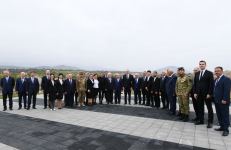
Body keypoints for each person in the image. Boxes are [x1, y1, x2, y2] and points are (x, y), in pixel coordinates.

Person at [193, 60, 214, 128]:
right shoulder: (197, 73)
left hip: (207, 94)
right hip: (199, 94)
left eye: (203, 64)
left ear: (205, 65)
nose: (201, 65)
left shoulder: (209, 73)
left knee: (209, 108)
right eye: (200, 64)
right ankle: (201, 120)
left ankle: (210, 122)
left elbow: (211, 84)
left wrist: (209, 93)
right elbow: (195, 84)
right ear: (199, 65)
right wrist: (195, 92)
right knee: (200, 107)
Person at [213, 66, 231, 136]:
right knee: (219, 114)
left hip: (223, 101)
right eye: (216, 71)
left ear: (222, 71)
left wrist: (224, 99)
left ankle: (226, 129)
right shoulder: (216, 79)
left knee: (225, 115)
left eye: (218, 71)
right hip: (217, 100)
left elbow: (227, 90)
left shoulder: (226, 79)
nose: (217, 72)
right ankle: (222, 127)